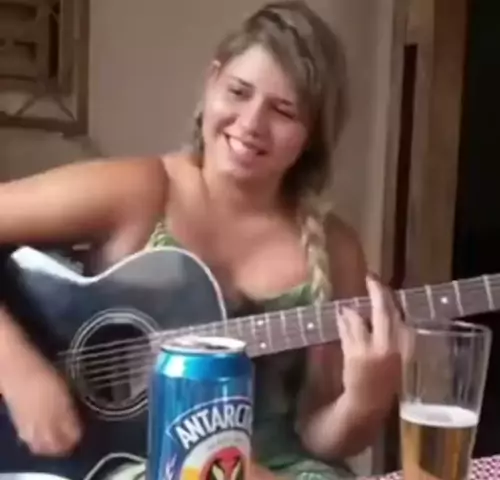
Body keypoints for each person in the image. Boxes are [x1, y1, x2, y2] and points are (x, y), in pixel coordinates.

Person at [0, 1, 405, 478]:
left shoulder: (335, 248)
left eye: (283, 111)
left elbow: (319, 437)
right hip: (132, 465)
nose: (251, 124)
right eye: (238, 92)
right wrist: (18, 370)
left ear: (312, 134)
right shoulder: (142, 190)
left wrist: (364, 399)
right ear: (212, 82)